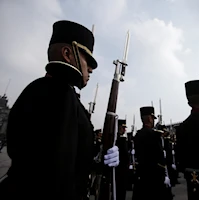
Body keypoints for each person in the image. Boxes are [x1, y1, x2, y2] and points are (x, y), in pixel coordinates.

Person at [0, 20, 119, 200]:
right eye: (88, 59)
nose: (92, 69)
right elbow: (57, 175)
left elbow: (70, 161)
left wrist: (100, 163)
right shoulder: (60, 94)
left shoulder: (43, 89)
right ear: (67, 54)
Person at [132, 106, 171, 200]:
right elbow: (159, 157)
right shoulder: (154, 135)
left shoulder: (138, 135)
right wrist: (164, 174)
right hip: (155, 177)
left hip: (142, 175)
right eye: (153, 118)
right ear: (150, 118)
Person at [115, 119, 129, 200]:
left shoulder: (122, 139)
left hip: (124, 168)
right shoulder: (116, 139)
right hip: (119, 168)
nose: (124, 130)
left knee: (122, 190)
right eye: (122, 127)